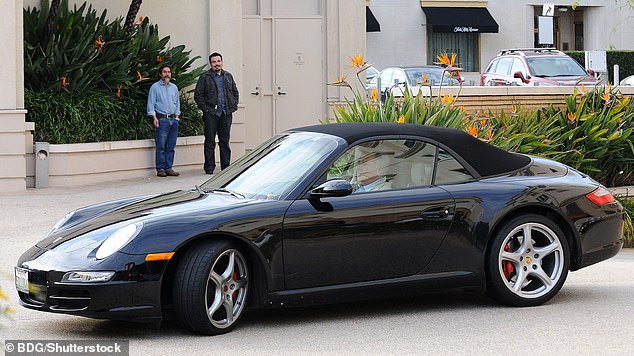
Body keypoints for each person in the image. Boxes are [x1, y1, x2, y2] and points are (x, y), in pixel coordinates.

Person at [194, 52, 240, 174]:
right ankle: (209, 168)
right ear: (211, 64)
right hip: (211, 115)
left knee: (224, 141)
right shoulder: (204, 77)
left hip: (226, 114)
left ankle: (226, 167)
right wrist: (207, 110)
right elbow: (198, 95)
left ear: (222, 62)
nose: (216, 64)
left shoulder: (228, 76)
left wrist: (233, 106)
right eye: (214, 62)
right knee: (210, 141)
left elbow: (235, 92)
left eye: (218, 61)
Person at [147, 63, 181, 177]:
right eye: (165, 72)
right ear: (160, 74)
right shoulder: (155, 87)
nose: (167, 74)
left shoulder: (174, 87)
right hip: (162, 120)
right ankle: (160, 168)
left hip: (173, 120)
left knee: (171, 146)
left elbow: (177, 103)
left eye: (169, 72)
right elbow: (151, 104)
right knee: (161, 145)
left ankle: (169, 168)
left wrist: (177, 116)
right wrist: (154, 117)